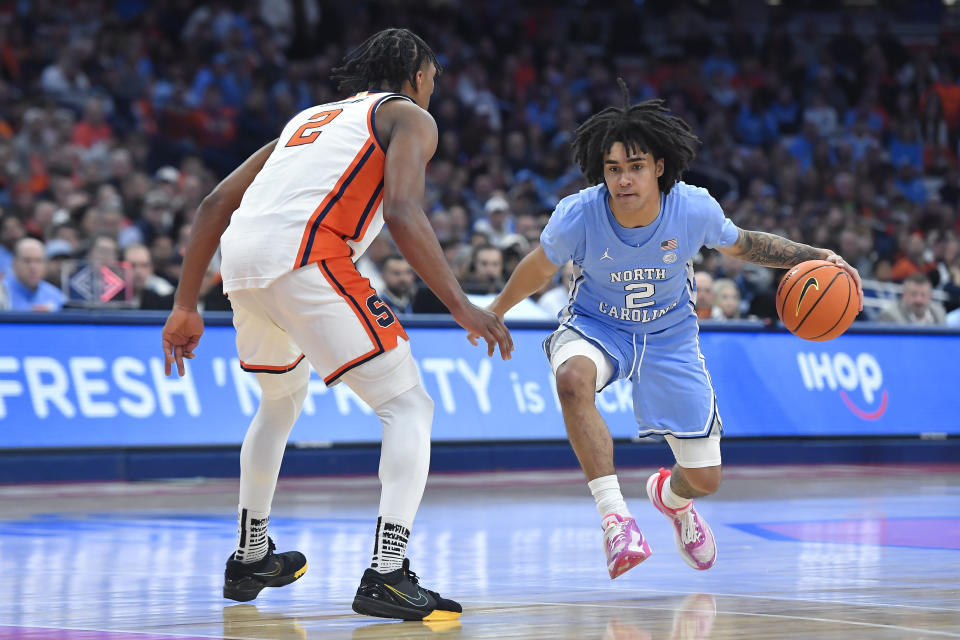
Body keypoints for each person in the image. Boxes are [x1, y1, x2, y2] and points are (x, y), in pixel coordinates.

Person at [160, 28, 512, 621]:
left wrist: (185, 304)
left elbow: (215, 203)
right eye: (433, 78)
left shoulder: (308, 119)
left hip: (242, 265)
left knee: (278, 402)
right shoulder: (409, 118)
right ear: (417, 76)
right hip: (309, 255)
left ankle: (250, 556)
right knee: (408, 406)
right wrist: (460, 304)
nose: (433, 89)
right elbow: (403, 209)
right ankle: (388, 573)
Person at [483, 84, 862, 580]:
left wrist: (812, 255)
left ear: (659, 166)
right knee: (572, 379)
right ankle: (616, 519)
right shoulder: (579, 213)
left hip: (671, 337)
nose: (623, 179)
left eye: (635, 166)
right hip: (599, 326)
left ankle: (671, 500)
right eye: (613, 168)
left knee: (706, 478)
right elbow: (540, 267)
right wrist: (495, 310)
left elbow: (746, 245)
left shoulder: (692, 207)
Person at [4, 238, 65, 312]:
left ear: (45, 265)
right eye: (27, 261)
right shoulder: (2, 292)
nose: (33, 267)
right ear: (14, 263)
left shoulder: (56, 296)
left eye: (38, 261)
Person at [875, 272, 945, 325]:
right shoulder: (889, 316)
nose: (918, 300)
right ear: (904, 295)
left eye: (923, 295)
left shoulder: (939, 313)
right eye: (913, 294)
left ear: (930, 296)